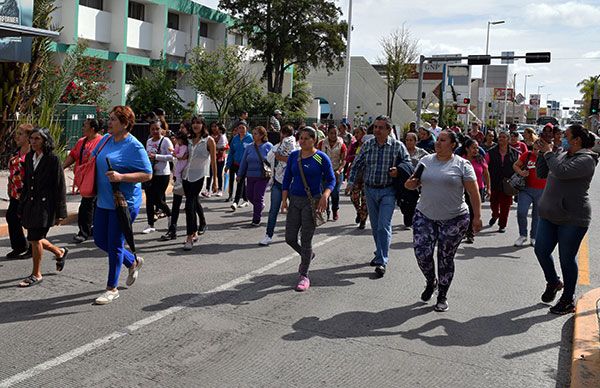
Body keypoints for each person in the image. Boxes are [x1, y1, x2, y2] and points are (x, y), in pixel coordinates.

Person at [405, 130, 482, 312]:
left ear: (453, 145)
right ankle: (431, 281)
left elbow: (473, 192)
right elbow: (413, 181)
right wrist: (410, 184)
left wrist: (477, 217)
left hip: (454, 218)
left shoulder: (462, 165)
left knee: (445, 258)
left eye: (443, 140)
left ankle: (442, 295)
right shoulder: (426, 161)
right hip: (425, 215)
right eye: (437, 140)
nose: (438, 143)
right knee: (422, 254)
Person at [534, 124, 598, 314]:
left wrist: (548, 154)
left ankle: (567, 299)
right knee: (541, 250)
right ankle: (553, 282)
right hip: (549, 216)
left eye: (565, 135)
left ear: (576, 139)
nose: (561, 137)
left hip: (572, 218)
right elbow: (541, 173)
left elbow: (562, 172)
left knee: (567, 259)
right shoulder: (561, 154)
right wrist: (541, 153)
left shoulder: (587, 160)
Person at [92, 106, 152, 304]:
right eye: (109, 119)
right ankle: (132, 261)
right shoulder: (105, 140)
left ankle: (112, 288)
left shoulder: (134, 146)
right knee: (100, 240)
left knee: (115, 243)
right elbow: (93, 159)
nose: (109, 123)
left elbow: (147, 173)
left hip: (123, 203)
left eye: (113, 120)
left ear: (125, 124)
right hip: (103, 200)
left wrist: (122, 177)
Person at [347, 115, 410, 278]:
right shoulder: (368, 145)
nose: (377, 130)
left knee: (383, 225)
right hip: (370, 190)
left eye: (381, 127)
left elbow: (408, 163)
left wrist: (399, 170)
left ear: (389, 130)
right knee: (375, 227)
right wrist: (351, 182)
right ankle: (379, 252)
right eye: (375, 127)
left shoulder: (397, 146)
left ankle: (382, 260)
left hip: (388, 191)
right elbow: (357, 164)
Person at [282, 127, 335, 291]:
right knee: (290, 238)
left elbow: (331, 180)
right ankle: (307, 255)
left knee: (306, 238)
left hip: (312, 202)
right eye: (301, 138)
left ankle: (304, 274)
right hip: (295, 200)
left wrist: (325, 195)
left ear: (313, 140)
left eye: (306, 138)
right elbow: (286, 179)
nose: (302, 141)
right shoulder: (293, 156)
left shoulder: (320, 158)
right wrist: (284, 201)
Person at [17, 128, 69, 287]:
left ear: (45, 141)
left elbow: (60, 186)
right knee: (34, 239)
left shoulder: (53, 159)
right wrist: (21, 205)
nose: (33, 141)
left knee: (34, 238)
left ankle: (36, 274)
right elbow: (26, 183)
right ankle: (60, 252)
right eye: (31, 138)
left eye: (37, 139)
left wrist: (61, 212)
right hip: (31, 204)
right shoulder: (29, 158)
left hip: (46, 206)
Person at [63, 118, 104, 243]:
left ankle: (84, 232)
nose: (82, 127)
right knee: (90, 204)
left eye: (84, 125)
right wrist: (62, 168)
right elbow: (73, 156)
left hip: (97, 178)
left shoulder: (102, 141)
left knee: (87, 205)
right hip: (84, 179)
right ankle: (92, 228)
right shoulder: (82, 141)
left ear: (92, 128)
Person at [182, 115, 218, 250]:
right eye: (193, 123)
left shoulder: (209, 141)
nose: (195, 125)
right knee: (193, 203)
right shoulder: (189, 139)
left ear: (203, 125)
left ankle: (189, 237)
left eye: (198, 123)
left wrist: (215, 181)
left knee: (189, 205)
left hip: (199, 176)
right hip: (186, 176)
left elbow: (213, 162)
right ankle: (196, 229)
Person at [260, 124, 297, 245]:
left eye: (287, 134)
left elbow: (293, 160)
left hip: (291, 183)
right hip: (277, 182)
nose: (285, 137)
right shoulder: (277, 146)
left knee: (294, 211)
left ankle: (296, 234)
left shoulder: (296, 148)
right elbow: (269, 159)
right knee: (273, 210)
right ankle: (268, 235)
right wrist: (279, 151)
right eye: (284, 133)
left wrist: (281, 157)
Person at [5, 123, 33, 259]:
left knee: (29, 221)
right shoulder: (16, 151)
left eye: (21, 134)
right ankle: (19, 246)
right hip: (15, 193)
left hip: (27, 193)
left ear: (28, 137)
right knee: (11, 216)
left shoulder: (32, 154)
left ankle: (34, 248)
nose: (17, 136)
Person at [142, 119, 173, 234]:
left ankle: (170, 215)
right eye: (152, 129)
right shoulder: (149, 141)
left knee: (158, 199)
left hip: (162, 174)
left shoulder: (166, 141)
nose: (155, 131)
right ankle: (150, 224)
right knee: (149, 200)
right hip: (151, 173)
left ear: (161, 129)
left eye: (157, 128)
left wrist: (157, 156)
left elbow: (172, 157)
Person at [237, 126, 273, 226]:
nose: (253, 135)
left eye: (256, 133)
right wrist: (240, 174)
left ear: (262, 135)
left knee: (258, 196)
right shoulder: (249, 147)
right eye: (253, 133)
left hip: (263, 176)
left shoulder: (268, 146)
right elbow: (244, 161)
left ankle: (256, 218)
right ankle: (259, 206)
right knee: (249, 195)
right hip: (250, 175)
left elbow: (273, 161)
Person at [512, 141, 546, 247]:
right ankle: (523, 235)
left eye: (538, 149)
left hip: (542, 191)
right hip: (526, 189)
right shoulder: (527, 155)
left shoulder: (547, 157)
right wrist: (521, 172)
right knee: (521, 212)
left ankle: (534, 237)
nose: (536, 151)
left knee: (537, 215)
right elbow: (516, 165)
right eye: (534, 148)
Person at [486, 130, 519, 233]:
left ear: (508, 139)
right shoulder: (491, 152)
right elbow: (485, 167)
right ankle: (495, 215)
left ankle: (502, 224)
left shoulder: (514, 153)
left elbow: (518, 167)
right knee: (493, 204)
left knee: (505, 206)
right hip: (494, 182)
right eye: (500, 137)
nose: (501, 139)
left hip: (508, 184)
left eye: (504, 137)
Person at [460, 138, 490, 244]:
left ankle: (470, 233)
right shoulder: (461, 160)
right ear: (467, 148)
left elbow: (486, 174)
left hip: (478, 189)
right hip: (463, 190)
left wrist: (488, 188)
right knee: (464, 212)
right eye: (473, 148)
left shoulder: (480, 159)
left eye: (477, 148)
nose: (476, 150)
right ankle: (464, 230)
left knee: (473, 212)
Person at [160, 131, 189, 241]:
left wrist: (176, 155)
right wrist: (175, 154)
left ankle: (196, 227)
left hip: (187, 173)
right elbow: (177, 155)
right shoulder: (178, 145)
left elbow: (180, 155)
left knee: (193, 203)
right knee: (176, 203)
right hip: (178, 171)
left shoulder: (188, 145)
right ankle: (173, 229)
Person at [318, 124, 347, 221]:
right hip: (324, 172)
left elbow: (344, 160)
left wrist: (339, 170)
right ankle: (326, 211)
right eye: (331, 133)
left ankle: (335, 210)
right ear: (327, 133)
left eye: (335, 133)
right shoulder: (321, 143)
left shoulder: (341, 144)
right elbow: (316, 155)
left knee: (335, 193)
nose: (333, 135)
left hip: (336, 172)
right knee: (324, 193)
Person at [225, 120, 253, 210]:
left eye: (243, 128)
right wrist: (228, 164)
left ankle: (235, 202)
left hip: (245, 165)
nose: (241, 130)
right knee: (239, 182)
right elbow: (231, 152)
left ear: (247, 129)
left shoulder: (250, 138)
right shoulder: (235, 138)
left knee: (240, 182)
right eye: (239, 128)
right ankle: (245, 199)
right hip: (235, 163)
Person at [345, 126, 368, 229]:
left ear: (364, 133)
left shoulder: (369, 145)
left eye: (358, 133)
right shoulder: (354, 145)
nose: (356, 135)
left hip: (366, 177)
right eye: (355, 133)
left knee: (364, 200)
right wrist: (356, 156)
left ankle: (363, 219)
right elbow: (347, 157)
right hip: (355, 175)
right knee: (354, 197)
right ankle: (359, 212)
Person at [204, 121, 228, 197]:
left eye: (215, 126)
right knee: (209, 174)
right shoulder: (208, 136)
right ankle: (208, 190)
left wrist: (217, 149)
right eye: (212, 126)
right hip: (210, 158)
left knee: (219, 174)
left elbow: (226, 146)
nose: (214, 128)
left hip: (220, 158)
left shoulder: (222, 136)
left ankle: (219, 189)